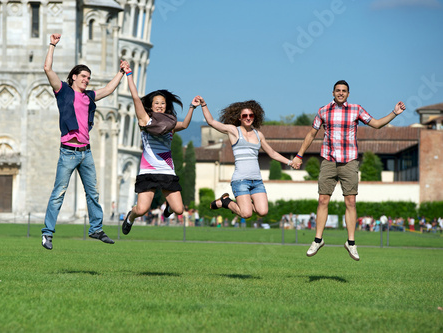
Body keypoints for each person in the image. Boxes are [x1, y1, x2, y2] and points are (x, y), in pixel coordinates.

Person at [293, 80, 406, 261]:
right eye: (338, 90)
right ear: (332, 93)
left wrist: (394, 113)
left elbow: (376, 124)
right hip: (328, 160)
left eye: (344, 91)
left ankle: (351, 243)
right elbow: (311, 134)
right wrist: (299, 156)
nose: (340, 93)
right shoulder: (323, 111)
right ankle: (317, 239)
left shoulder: (356, 109)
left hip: (349, 161)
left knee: (351, 201)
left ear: (348, 94)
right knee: (323, 199)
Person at [41, 34, 123, 250]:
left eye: (89, 77)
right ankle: (47, 233)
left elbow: (108, 89)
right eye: (84, 76)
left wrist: (121, 72)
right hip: (68, 152)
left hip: (85, 153)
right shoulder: (63, 91)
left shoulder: (88, 97)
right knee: (58, 193)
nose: (87, 80)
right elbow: (47, 69)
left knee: (93, 192)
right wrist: (52, 45)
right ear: (74, 76)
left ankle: (96, 229)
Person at [119, 61, 196, 235]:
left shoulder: (170, 125)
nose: (160, 105)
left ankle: (167, 208)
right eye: (156, 103)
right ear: (151, 106)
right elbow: (136, 98)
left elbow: (184, 125)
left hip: (167, 171)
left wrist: (192, 107)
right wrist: (129, 74)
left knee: (179, 210)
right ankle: (130, 217)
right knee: (142, 209)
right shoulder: (145, 120)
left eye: (163, 103)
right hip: (148, 171)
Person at [198, 96, 295, 219]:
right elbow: (211, 122)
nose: (248, 118)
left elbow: (272, 153)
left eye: (251, 115)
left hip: (257, 181)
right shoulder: (234, 131)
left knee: (263, 211)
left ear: (255, 117)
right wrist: (203, 104)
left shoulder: (258, 135)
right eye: (245, 116)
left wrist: (290, 162)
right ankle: (225, 202)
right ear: (240, 118)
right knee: (246, 214)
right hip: (240, 181)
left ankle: (232, 202)